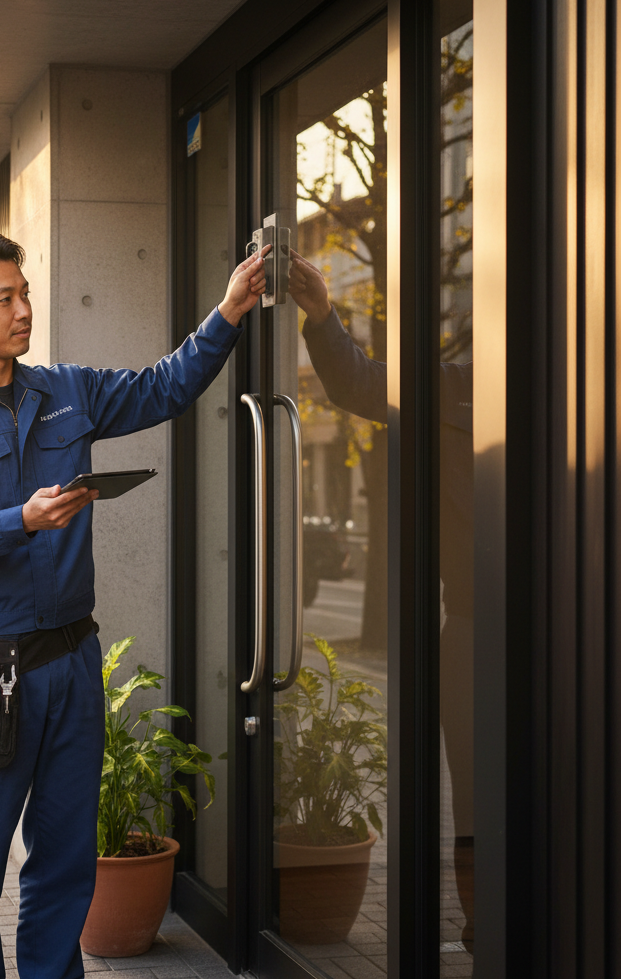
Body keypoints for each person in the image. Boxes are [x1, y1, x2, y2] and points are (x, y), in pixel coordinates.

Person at [0, 230, 269, 979]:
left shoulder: (67, 391)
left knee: (63, 864)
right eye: (7, 298)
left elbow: (164, 387)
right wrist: (18, 520)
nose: (24, 309)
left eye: (25, 293)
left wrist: (227, 311)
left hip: (72, 658)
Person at [287, 248, 475, 951]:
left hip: (569, 632)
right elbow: (360, 384)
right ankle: (487, 929)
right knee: (479, 800)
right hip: (476, 630)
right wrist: (324, 313)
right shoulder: (456, 385)